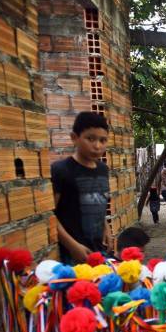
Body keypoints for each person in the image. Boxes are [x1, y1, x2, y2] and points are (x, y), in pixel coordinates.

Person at [51, 111, 111, 264]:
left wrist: (106, 228)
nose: (97, 146)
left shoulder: (103, 169)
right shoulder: (61, 170)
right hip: (73, 255)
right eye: (90, 138)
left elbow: (99, 202)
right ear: (74, 138)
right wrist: (72, 245)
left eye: (103, 140)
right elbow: (51, 215)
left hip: (99, 250)